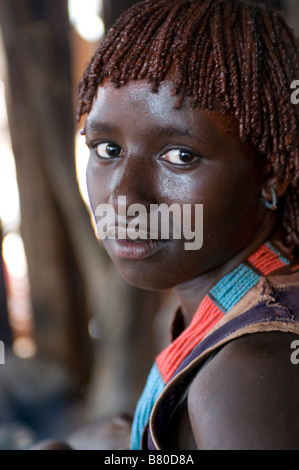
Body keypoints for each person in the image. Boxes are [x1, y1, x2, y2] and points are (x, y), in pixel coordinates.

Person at [76, 0, 299, 450]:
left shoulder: (249, 374)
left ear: (272, 172)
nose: (123, 199)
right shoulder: (236, 311)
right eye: (106, 149)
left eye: (180, 156)